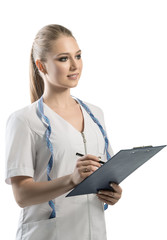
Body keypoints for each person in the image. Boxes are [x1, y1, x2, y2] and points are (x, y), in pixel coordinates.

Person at [5, 24, 122, 240]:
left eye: (78, 56)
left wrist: (112, 192)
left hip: (94, 233)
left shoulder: (95, 114)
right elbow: (21, 195)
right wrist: (71, 180)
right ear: (41, 66)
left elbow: (104, 172)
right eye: (63, 58)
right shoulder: (24, 120)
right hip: (49, 235)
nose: (75, 65)